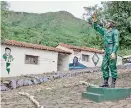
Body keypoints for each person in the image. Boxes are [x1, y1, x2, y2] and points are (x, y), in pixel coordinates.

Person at [92, 12, 120, 88]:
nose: (106, 24)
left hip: (111, 51)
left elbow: (116, 43)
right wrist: (94, 20)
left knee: (112, 66)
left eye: (108, 23)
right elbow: (96, 27)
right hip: (106, 51)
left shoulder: (115, 31)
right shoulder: (105, 31)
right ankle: (105, 82)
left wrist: (114, 52)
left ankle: (113, 83)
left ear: (111, 24)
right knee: (104, 66)